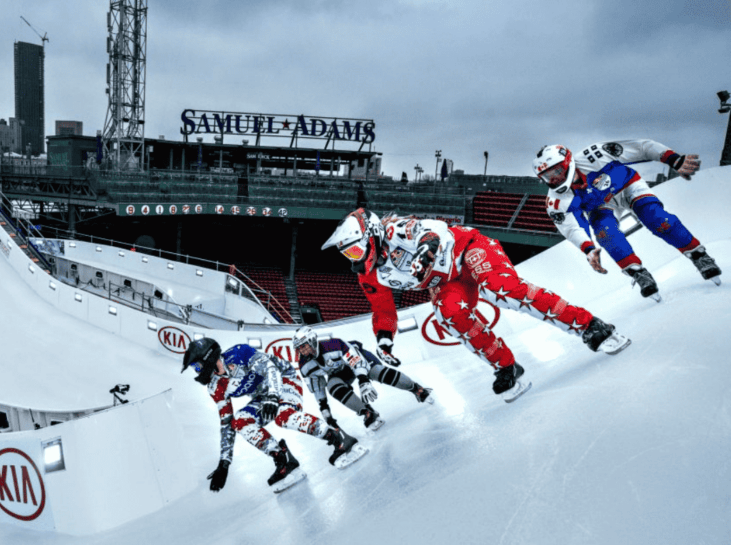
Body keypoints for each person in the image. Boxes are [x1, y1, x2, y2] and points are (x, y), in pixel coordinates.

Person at [322, 208, 631, 401]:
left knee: (504, 289)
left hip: (469, 249)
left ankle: (592, 326)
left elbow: (433, 231)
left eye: (353, 251)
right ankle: (506, 366)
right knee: (449, 314)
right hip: (447, 282)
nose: (354, 260)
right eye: (347, 255)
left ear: (371, 236)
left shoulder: (395, 229)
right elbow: (382, 310)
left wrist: (426, 251)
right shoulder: (369, 275)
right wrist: (385, 341)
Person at [533, 141, 721, 299]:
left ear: (568, 162)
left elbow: (640, 147)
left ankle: (698, 255)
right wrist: (588, 248)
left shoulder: (595, 155)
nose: (554, 179)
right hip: (600, 205)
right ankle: (637, 272)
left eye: (556, 171)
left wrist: (672, 158)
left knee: (656, 218)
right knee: (606, 235)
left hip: (627, 186)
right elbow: (570, 227)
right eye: (547, 176)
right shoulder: (555, 200)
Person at [181, 337, 359, 492]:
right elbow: (226, 422)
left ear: (208, 359)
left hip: (284, 378)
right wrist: (224, 462)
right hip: (263, 396)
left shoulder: (240, 352)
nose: (196, 370)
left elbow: (270, 369)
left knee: (284, 416)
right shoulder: (215, 387)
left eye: (196, 365)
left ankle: (338, 438)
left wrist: (273, 397)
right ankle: (283, 459)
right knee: (240, 422)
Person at [292, 326, 433, 431]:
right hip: (341, 372)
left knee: (377, 372)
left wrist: (363, 380)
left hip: (360, 358)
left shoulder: (334, 344)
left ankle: (417, 389)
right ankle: (367, 412)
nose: (302, 351)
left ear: (312, 340)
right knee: (332, 386)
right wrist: (324, 409)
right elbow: (317, 387)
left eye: (303, 346)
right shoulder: (304, 365)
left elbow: (356, 360)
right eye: (299, 349)